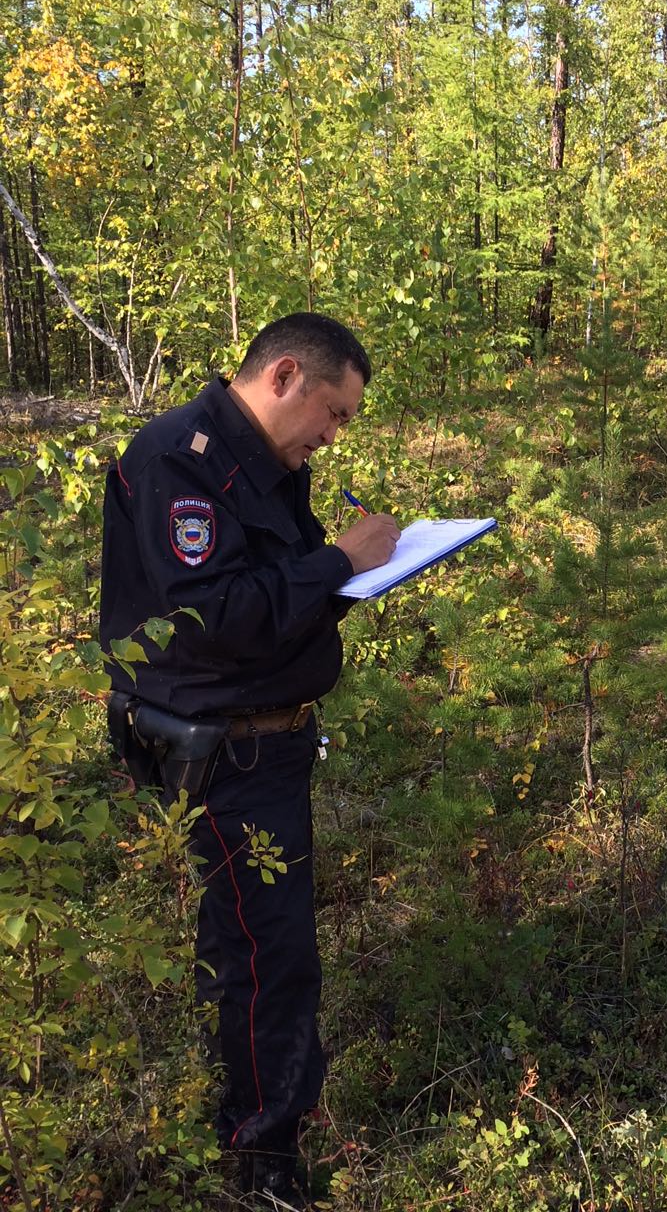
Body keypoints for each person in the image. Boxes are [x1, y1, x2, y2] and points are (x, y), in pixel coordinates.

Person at [100, 312, 399, 1208]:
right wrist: (340, 561)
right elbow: (214, 618)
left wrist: (349, 571)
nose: (332, 436)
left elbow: (281, 594)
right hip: (224, 750)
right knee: (271, 953)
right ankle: (263, 1153)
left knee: (243, 940)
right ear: (284, 376)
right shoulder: (179, 463)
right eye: (333, 413)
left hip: (268, 739)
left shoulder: (270, 467)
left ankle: (231, 1103)